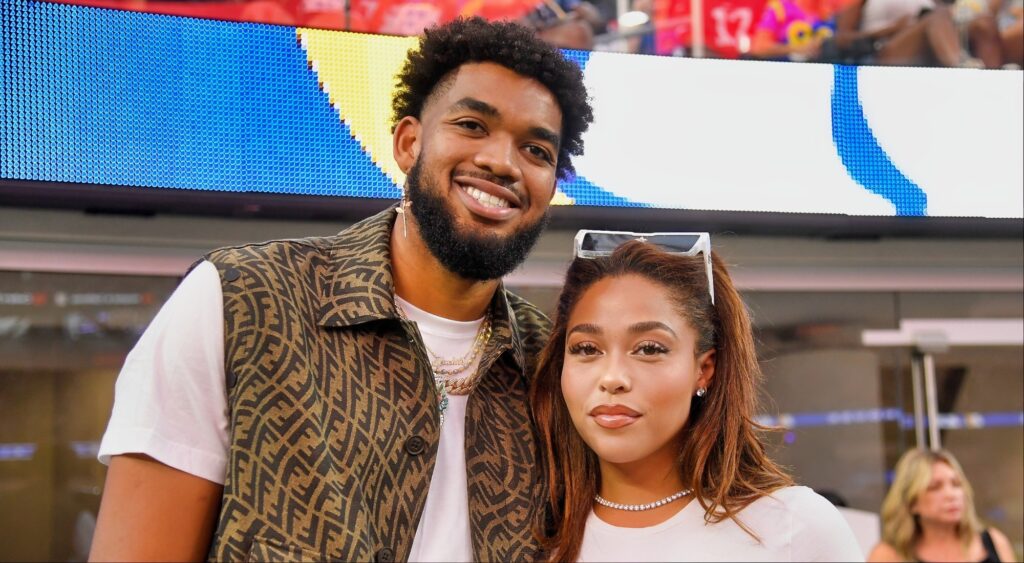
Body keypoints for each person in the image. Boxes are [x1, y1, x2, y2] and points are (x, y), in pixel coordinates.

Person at [88, 17, 593, 562]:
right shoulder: (240, 302)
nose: (501, 162)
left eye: (537, 151)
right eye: (472, 125)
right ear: (408, 142)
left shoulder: (557, 365)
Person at [530, 234, 864, 562]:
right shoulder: (528, 534)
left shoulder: (793, 529)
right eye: (586, 349)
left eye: (649, 348)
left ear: (703, 369)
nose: (612, 378)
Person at [868, 449, 1017, 563]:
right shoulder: (888, 555)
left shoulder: (995, 541)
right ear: (912, 503)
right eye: (935, 487)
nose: (951, 495)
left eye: (956, 484)